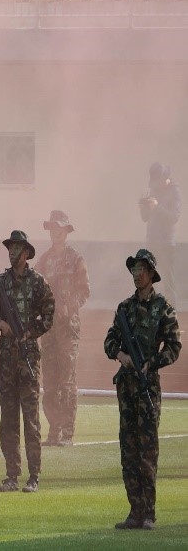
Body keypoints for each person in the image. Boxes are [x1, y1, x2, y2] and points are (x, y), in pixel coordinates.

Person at [104, 249, 180, 531]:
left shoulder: (163, 308)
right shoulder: (124, 308)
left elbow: (174, 346)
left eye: (141, 270)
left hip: (148, 387)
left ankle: (148, 513)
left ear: (151, 273)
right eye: (134, 269)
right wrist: (121, 355)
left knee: (147, 453)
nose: (136, 274)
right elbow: (109, 340)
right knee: (129, 452)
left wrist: (152, 363)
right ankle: (134, 512)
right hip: (127, 389)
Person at [0, 230, 54, 493]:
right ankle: (11, 475)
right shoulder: (1, 283)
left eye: (16, 249)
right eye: (10, 248)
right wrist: (1, 324)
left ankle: (34, 476)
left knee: (31, 420)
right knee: (8, 421)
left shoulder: (38, 283)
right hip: (6, 362)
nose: (12, 252)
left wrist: (30, 332)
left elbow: (49, 314)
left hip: (28, 359)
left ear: (26, 253)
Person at [37, 211, 90, 447]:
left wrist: (70, 306)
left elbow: (84, 290)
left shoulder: (76, 259)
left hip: (68, 328)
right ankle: (53, 431)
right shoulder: (44, 261)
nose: (55, 232)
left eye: (59, 228)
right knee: (49, 382)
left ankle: (67, 433)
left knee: (67, 381)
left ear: (66, 231)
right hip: (49, 329)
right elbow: (35, 289)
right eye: (52, 228)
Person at [139, 163, 181, 301]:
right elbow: (145, 218)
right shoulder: (154, 190)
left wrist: (157, 206)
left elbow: (174, 217)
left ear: (164, 178)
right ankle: (150, 312)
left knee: (168, 282)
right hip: (152, 242)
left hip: (166, 244)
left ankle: (171, 312)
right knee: (148, 282)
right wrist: (144, 207)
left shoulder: (174, 192)